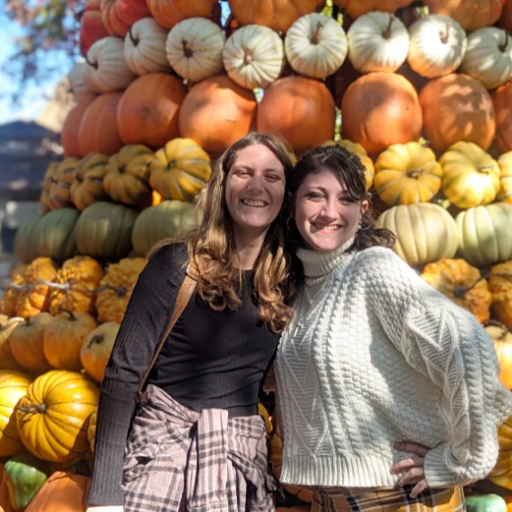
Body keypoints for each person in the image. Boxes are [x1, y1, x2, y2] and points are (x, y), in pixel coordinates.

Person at [274, 144, 512, 512]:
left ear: (363, 210)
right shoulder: (300, 290)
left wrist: (458, 461)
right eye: (315, 196)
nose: (330, 212)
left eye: (345, 199)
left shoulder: (373, 270)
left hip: (400, 496)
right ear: (292, 205)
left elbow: (466, 346)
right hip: (332, 500)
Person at [86, 132, 295, 512]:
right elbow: (122, 375)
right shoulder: (176, 266)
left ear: (286, 193)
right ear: (222, 184)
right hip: (162, 453)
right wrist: (104, 495)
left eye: (272, 176)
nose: (256, 186)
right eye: (243, 173)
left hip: (239, 464)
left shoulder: (287, 281)